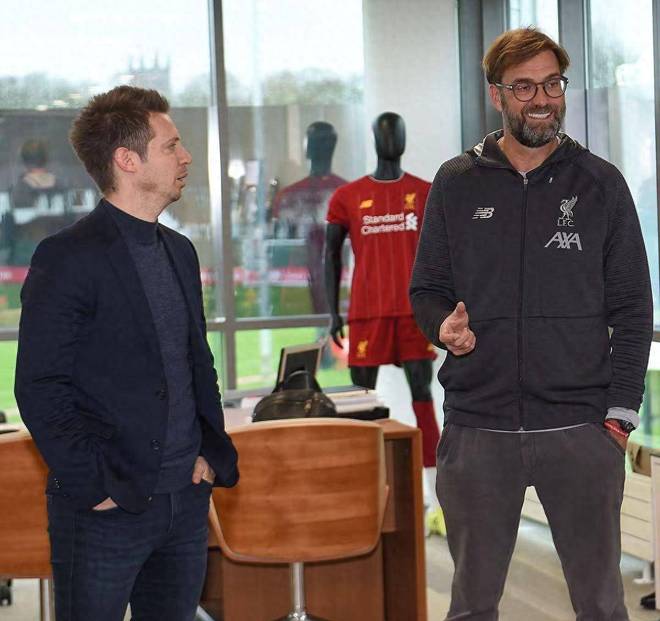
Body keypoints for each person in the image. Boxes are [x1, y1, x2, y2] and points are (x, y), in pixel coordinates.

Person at [410, 28, 653, 620]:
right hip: (478, 428)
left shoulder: (600, 184)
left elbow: (633, 306)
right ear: (497, 94)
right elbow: (428, 290)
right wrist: (443, 328)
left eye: (552, 84)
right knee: (471, 606)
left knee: (601, 607)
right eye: (524, 87)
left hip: (580, 430)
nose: (542, 99)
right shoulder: (456, 182)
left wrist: (619, 416)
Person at [14, 85, 238, 621]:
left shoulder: (179, 251)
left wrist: (208, 454)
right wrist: (96, 486)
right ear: (127, 160)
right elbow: (40, 386)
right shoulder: (66, 256)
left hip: (185, 501)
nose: (186, 157)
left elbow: (195, 364)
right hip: (105, 511)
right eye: (172, 146)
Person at [325, 111, 441, 500]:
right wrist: (333, 311)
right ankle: (360, 489)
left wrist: (440, 307)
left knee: (423, 396)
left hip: (413, 313)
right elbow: (330, 256)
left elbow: (443, 255)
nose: (392, 140)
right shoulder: (348, 196)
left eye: (397, 133)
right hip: (367, 312)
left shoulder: (425, 192)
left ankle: (435, 496)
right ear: (374, 139)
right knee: (360, 403)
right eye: (385, 133)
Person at [272, 121, 347, 314]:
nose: (321, 148)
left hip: (339, 281)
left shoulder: (348, 194)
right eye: (318, 142)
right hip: (297, 282)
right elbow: (278, 247)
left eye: (325, 142)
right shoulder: (288, 196)